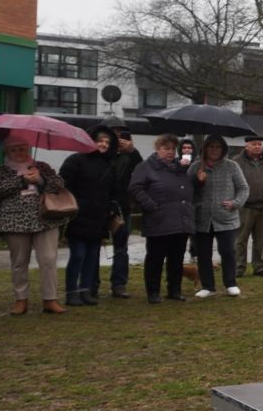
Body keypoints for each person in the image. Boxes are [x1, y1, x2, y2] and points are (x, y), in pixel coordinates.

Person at [0, 136, 70, 316]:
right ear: (7, 152)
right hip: (14, 221)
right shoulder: (0, 171)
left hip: (45, 219)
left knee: (48, 259)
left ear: (28, 148)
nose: (19, 152)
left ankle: (50, 299)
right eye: (14, 149)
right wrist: (22, 181)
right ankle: (21, 300)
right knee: (19, 262)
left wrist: (40, 180)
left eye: (22, 148)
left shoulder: (42, 166)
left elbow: (58, 185)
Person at [130, 134, 196, 303]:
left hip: (180, 220)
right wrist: (151, 206)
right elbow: (135, 189)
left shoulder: (180, 168)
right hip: (158, 220)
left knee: (176, 258)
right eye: (166, 149)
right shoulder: (145, 167)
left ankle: (174, 290)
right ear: (157, 149)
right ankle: (153, 292)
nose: (170, 152)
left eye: (173, 149)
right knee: (155, 259)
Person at [59, 124, 120, 307]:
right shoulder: (75, 160)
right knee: (78, 255)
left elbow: (113, 190)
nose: (104, 144)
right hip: (77, 216)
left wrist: (112, 206)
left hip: (99, 217)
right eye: (100, 140)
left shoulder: (109, 164)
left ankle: (85, 290)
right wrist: (76, 204)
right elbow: (63, 185)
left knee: (92, 256)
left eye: (107, 142)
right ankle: (71, 292)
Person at [189, 135, 249, 299]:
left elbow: (243, 188)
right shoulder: (195, 167)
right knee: (203, 253)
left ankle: (231, 283)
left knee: (228, 251)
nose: (214, 150)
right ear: (205, 148)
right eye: (211, 146)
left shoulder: (231, 166)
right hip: (201, 218)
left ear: (223, 149)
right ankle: (208, 286)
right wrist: (197, 181)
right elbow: (186, 190)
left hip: (226, 217)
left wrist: (235, 203)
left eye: (218, 147)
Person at [233, 134, 263, 278]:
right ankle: (238, 267)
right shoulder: (236, 162)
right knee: (240, 240)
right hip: (245, 207)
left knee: (260, 240)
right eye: (254, 144)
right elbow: (230, 181)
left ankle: (259, 267)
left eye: (260, 144)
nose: (257, 147)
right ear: (246, 146)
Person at [107, 127, 142, 298]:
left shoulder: (130, 156)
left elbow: (142, 170)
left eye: (121, 133)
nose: (118, 136)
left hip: (123, 207)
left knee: (121, 248)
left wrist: (132, 151)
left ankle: (119, 284)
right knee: (93, 247)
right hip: (100, 205)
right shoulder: (100, 152)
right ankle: (90, 285)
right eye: (114, 133)